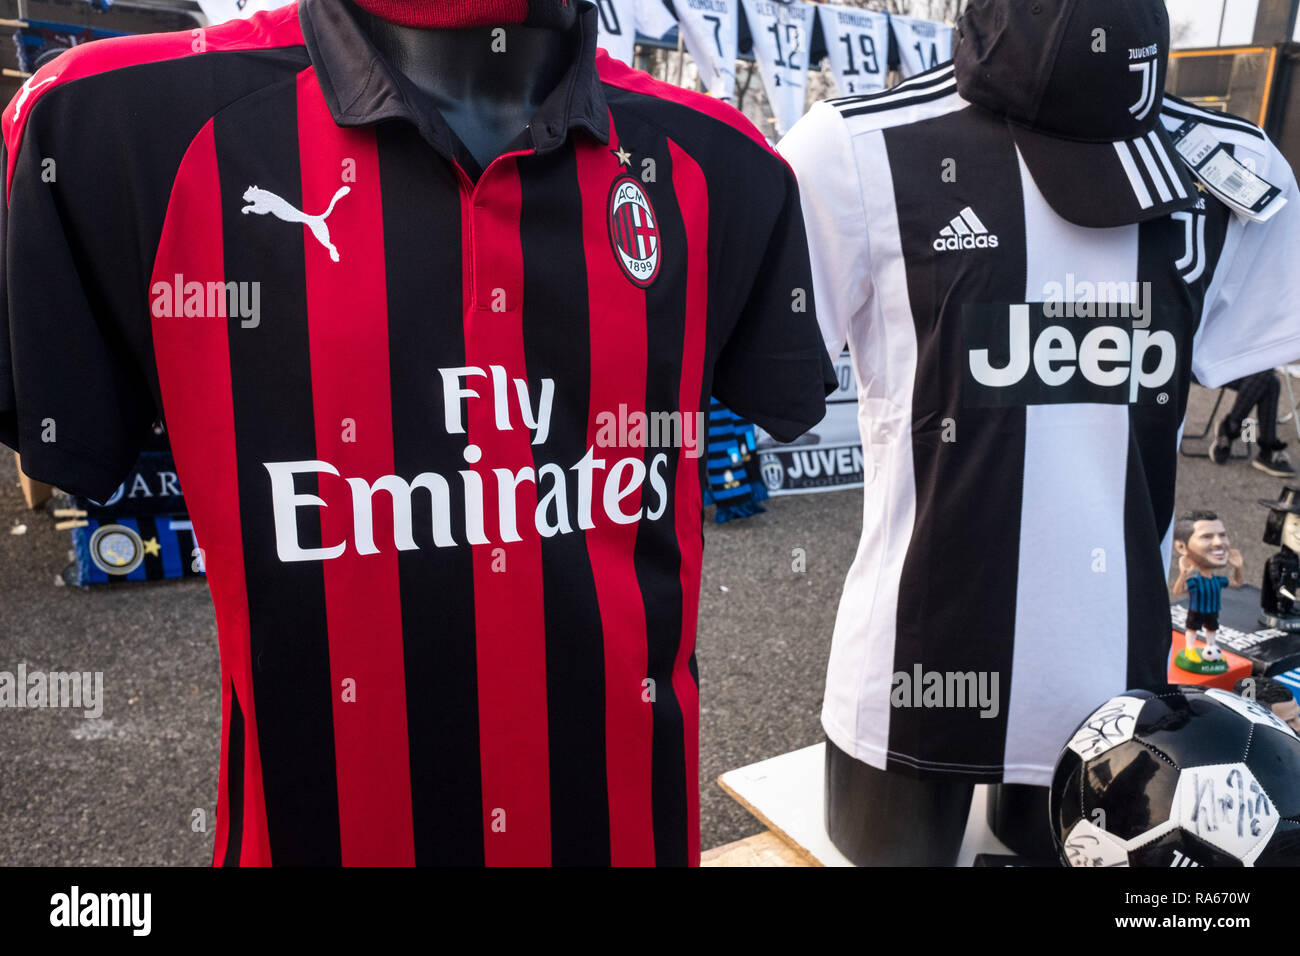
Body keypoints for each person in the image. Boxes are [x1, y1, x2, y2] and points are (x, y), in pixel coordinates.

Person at [1171, 511, 1244, 670]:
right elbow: (1177, 591)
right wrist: (1183, 574)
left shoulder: (1217, 580)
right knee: (1192, 628)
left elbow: (1237, 582)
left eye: (1222, 535)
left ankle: (1211, 647)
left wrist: (1238, 567)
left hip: (1212, 609)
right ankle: (1190, 650)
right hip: (1196, 609)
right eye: (1207, 536)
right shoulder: (1195, 581)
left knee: (1212, 628)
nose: (1218, 543)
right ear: (1182, 547)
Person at [1210, 370, 1294, 476]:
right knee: (1266, 377)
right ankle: (1267, 449)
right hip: (1202, 365)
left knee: (1270, 380)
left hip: (1242, 366)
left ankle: (1230, 428)